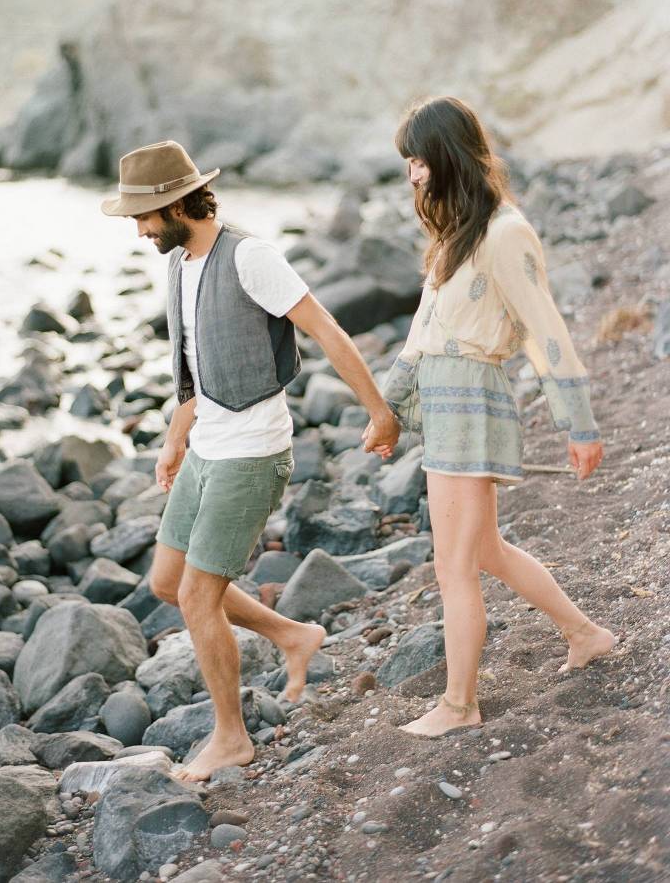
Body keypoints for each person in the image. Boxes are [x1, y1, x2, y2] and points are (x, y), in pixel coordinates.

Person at [102, 139, 400, 779]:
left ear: (176, 205)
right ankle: (295, 636)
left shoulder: (251, 257)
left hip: (252, 454)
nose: (139, 230)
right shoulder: (181, 264)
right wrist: (175, 439)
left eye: (142, 216)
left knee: (195, 598)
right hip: (206, 446)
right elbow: (196, 370)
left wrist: (378, 411)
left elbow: (327, 330)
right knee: (165, 582)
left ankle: (231, 737)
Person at [364, 97, 616, 738]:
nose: (412, 175)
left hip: (473, 402)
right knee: (483, 550)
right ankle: (585, 634)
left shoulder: (505, 232)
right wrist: (388, 409)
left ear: (446, 157)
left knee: (454, 564)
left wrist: (578, 423)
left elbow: (544, 327)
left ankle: (459, 704)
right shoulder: (456, 235)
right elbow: (422, 333)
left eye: (418, 161)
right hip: (447, 402)